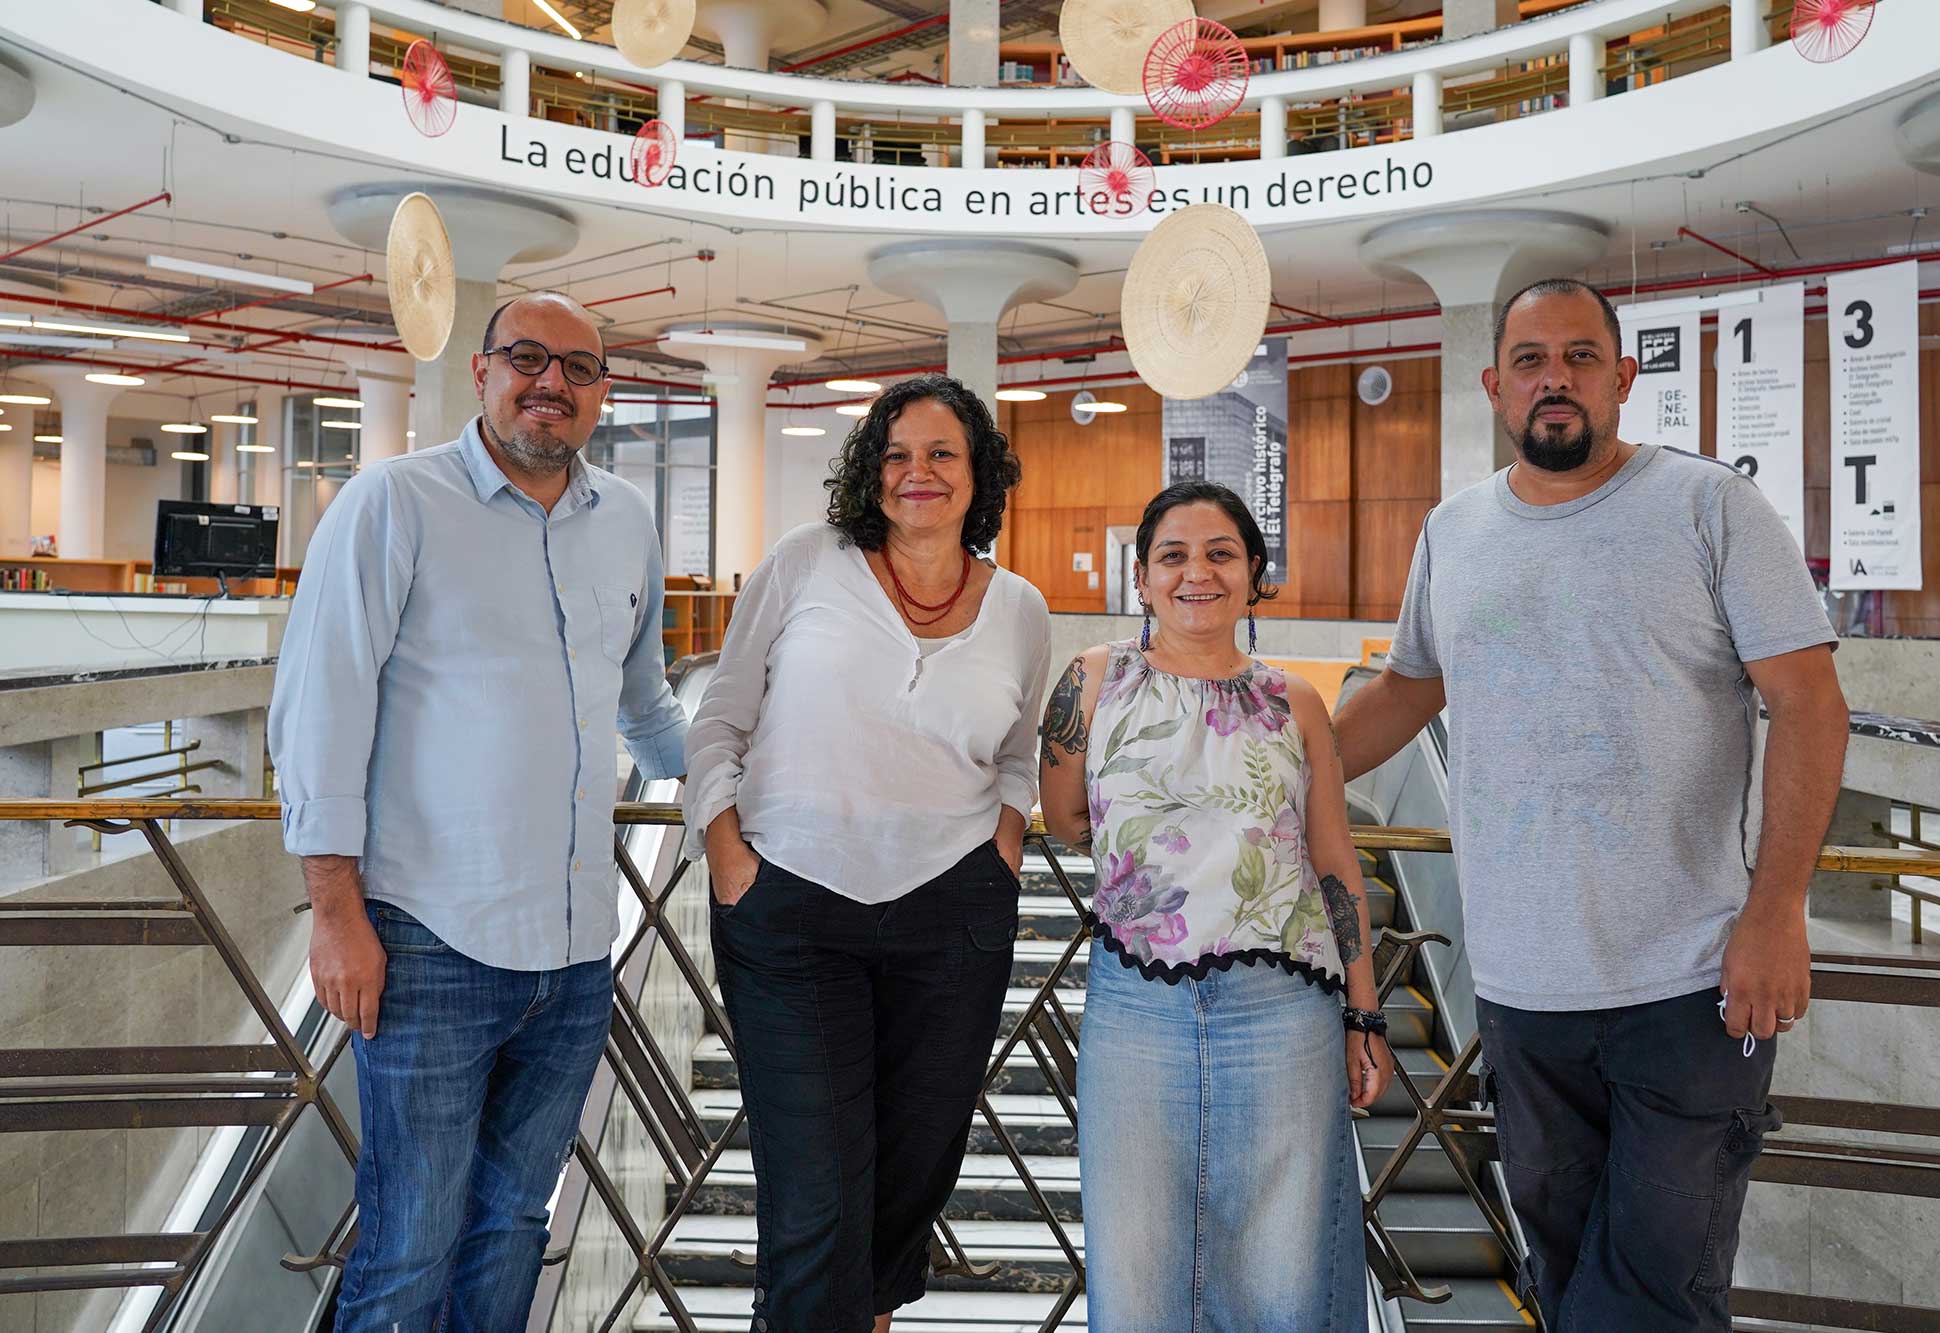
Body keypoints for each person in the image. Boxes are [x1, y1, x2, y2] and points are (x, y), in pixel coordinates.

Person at [1333, 278, 1849, 1330]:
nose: (1553, 379)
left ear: (1621, 378)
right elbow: (1405, 689)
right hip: (1522, 994)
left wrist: (1775, 910)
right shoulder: (1452, 530)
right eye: (1530, 361)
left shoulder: (1708, 506)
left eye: (1578, 357)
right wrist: (1255, 776)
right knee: (1564, 1282)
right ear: (1494, 387)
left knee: (1656, 1292)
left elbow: (1809, 705)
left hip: (1691, 984)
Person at [268, 291, 689, 1333]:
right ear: (482, 370)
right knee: (409, 1240)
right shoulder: (393, 503)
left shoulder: (625, 521)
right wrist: (334, 913)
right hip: (426, 942)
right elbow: (320, 710)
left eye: (578, 368)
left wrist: (750, 787)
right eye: (528, 358)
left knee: (511, 1225)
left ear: (602, 391)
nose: (551, 383)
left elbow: (645, 707)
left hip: (577, 953)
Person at [683, 372, 1052, 1333]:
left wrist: (1005, 846)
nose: (916, 472)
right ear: (868, 471)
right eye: (895, 454)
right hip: (792, 907)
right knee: (817, 1193)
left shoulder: (1020, 608)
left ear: (980, 474)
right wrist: (728, 854)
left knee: (909, 1177)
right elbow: (719, 720)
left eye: (941, 453)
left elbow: (1018, 757)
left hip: (951, 917)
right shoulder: (807, 562)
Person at [1039, 480, 1390, 1333]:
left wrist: (1364, 1010)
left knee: (1282, 1271)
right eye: (1174, 555)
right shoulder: (1092, 681)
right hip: (1137, 1005)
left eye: (1221, 553)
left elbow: (1333, 859)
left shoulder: (1295, 701)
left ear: (1254, 573)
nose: (1197, 572)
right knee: (1136, 1263)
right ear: (1142, 576)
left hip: (1283, 1008)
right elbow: (1067, 814)